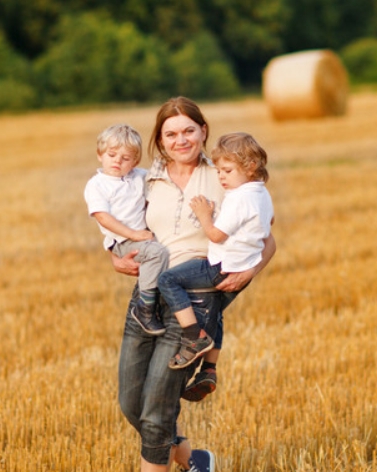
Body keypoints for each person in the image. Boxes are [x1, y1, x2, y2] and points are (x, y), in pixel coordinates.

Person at [112, 97, 277, 472]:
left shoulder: (223, 175)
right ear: (160, 139)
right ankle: (193, 461)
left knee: (157, 412)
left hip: (196, 300)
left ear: (204, 131)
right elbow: (121, 226)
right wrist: (115, 255)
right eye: (170, 134)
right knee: (131, 404)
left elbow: (267, 238)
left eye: (189, 130)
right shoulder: (145, 179)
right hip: (147, 299)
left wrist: (250, 273)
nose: (180, 140)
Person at [156, 132, 274, 404]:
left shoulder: (238, 197)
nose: (221, 177)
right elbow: (268, 223)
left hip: (221, 265)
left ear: (251, 167)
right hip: (242, 268)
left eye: (228, 170)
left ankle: (193, 335)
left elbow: (216, 235)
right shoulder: (261, 194)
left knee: (168, 280)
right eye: (219, 170)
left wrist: (204, 214)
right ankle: (209, 368)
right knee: (217, 313)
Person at [84, 123, 170, 335]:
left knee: (160, 253)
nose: (117, 161)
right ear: (99, 155)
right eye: (111, 155)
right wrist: (133, 234)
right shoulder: (97, 185)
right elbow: (103, 217)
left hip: (142, 237)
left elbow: (159, 179)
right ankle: (146, 308)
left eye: (125, 158)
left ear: (136, 161)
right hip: (123, 241)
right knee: (158, 253)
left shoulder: (139, 176)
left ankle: (159, 299)